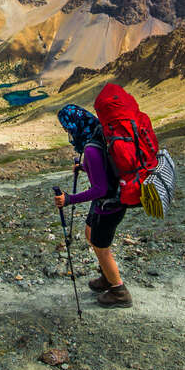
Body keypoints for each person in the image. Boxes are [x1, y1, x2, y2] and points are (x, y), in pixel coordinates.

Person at [53, 104, 132, 308]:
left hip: (109, 205)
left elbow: (99, 189)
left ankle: (119, 291)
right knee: (90, 234)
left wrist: (69, 199)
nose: (68, 133)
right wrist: (84, 166)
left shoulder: (91, 148)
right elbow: (103, 169)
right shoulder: (98, 136)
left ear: (75, 125)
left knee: (100, 245)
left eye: (68, 128)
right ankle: (107, 276)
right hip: (111, 200)